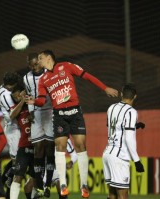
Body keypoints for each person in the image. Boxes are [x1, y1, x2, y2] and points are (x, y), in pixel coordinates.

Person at [26, 50, 118, 198]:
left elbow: (87, 76)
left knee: (81, 146)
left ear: (49, 58)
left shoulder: (66, 66)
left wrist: (105, 88)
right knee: (60, 146)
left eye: (41, 58)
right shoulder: (43, 79)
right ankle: (63, 184)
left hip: (75, 112)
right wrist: (33, 101)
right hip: (59, 115)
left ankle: (84, 185)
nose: (39, 61)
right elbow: (42, 100)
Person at [102, 84, 145, 199]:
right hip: (119, 157)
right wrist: (137, 161)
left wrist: (134, 126)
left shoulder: (111, 108)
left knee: (112, 194)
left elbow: (115, 127)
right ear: (135, 97)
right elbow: (128, 138)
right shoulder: (131, 112)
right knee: (123, 195)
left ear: (121, 94)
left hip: (107, 153)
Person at [23, 53, 55, 198]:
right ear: (29, 65)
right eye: (32, 65)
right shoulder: (26, 78)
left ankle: (48, 183)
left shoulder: (50, 73)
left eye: (37, 64)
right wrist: (30, 111)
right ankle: (40, 186)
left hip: (49, 112)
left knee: (50, 147)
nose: (35, 67)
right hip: (36, 112)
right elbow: (29, 95)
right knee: (38, 149)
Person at [9, 83, 35, 199]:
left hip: (38, 148)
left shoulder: (34, 103)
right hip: (24, 147)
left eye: (18, 96)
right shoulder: (17, 108)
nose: (17, 98)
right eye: (15, 98)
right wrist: (21, 101)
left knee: (32, 184)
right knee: (17, 176)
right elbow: (11, 115)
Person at [0, 72, 21, 160]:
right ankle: (9, 173)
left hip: (17, 126)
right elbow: (13, 114)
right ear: (9, 86)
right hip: (13, 128)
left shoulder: (4, 87)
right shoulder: (5, 95)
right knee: (17, 158)